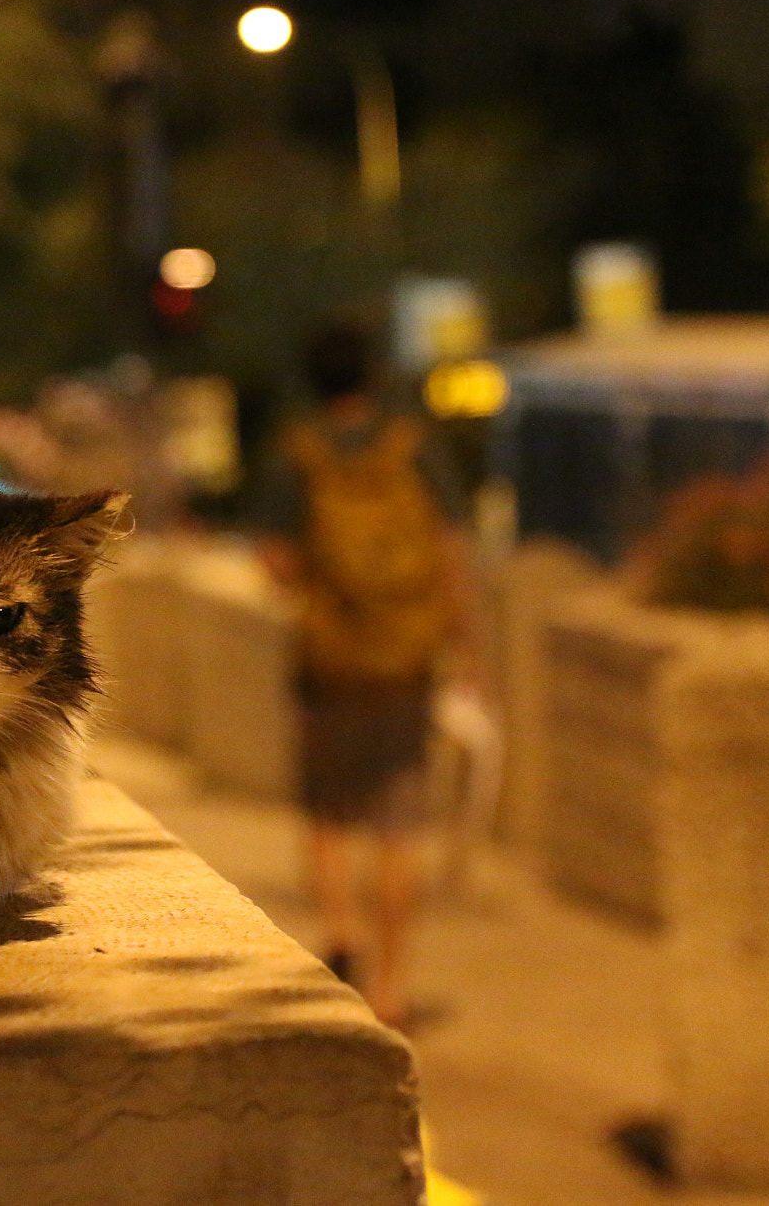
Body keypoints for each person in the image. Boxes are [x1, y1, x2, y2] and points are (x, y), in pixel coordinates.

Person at [252, 320, 475, 1028]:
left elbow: (277, 563)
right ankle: (390, 987)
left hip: (330, 661)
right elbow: (449, 549)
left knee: (328, 812)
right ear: (371, 377)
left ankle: (340, 936)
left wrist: (323, 586)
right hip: (405, 660)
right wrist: (460, 640)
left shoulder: (296, 453)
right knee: (399, 823)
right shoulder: (414, 448)